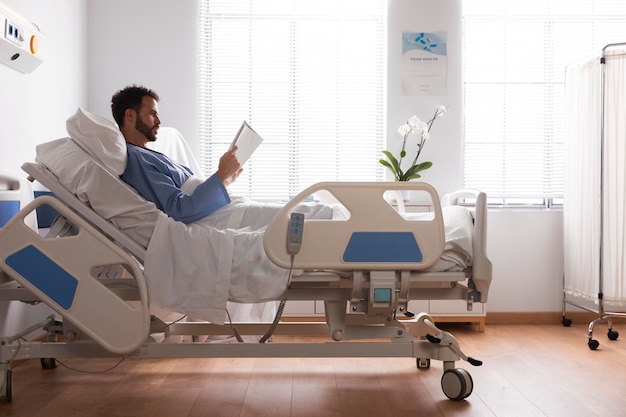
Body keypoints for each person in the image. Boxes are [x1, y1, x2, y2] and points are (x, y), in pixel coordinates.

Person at [111, 85, 243, 224]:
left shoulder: (146, 154)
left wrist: (223, 180)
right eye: (152, 113)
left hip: (214, 207)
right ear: (130, 115)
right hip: (210, 216)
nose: (158, 121)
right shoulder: (136, 159)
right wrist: (221, 175)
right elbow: (179, 209)